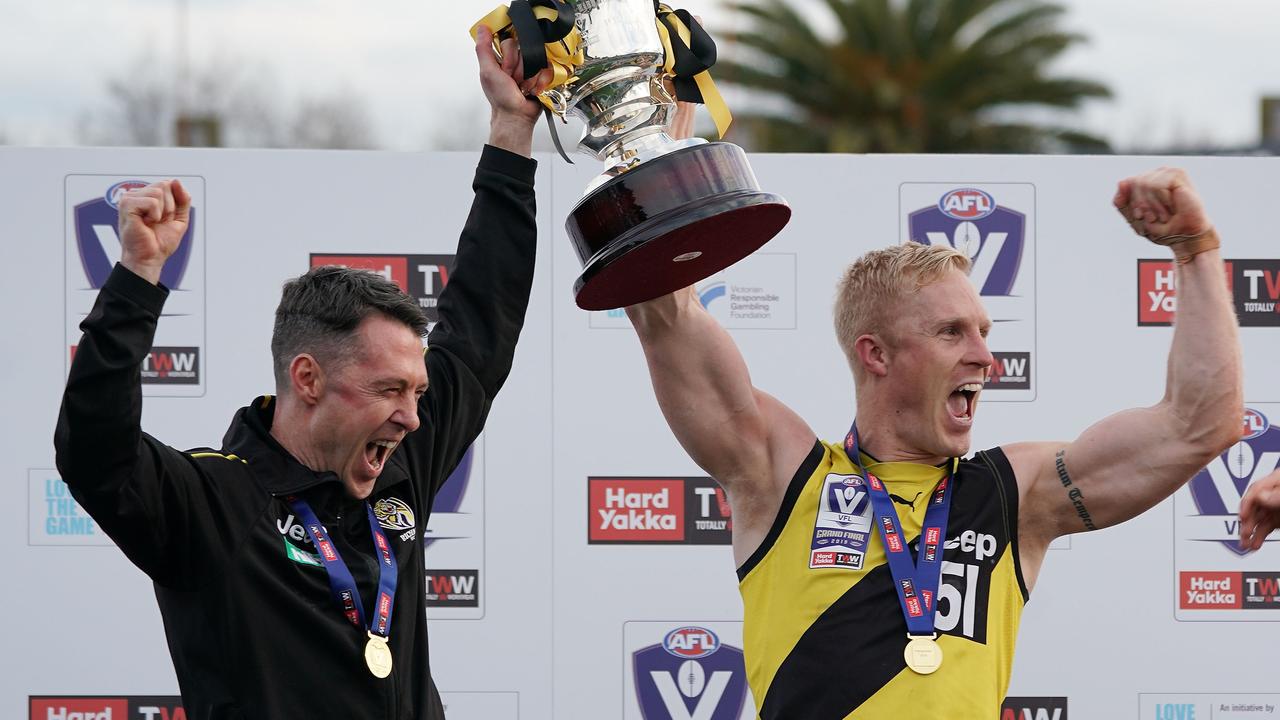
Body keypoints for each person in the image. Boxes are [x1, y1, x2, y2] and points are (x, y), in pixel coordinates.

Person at [53, 27, 549, 720]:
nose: (411, 417)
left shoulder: (402, 464)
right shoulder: (215, 502)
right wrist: (136, 282)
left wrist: (509, 130)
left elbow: (480, 326)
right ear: (309, 379)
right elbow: (96, 454)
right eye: (388, 391)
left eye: (417, 393)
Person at [625, 164, 1242, 717]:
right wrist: (655, 144)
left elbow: (1197, 426)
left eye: (984, 332)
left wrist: (1195, 249)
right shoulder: (784, 474)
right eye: (952, 333)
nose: (986, 358)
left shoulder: (1014, 495)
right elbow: (665, 311)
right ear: (877, 354)